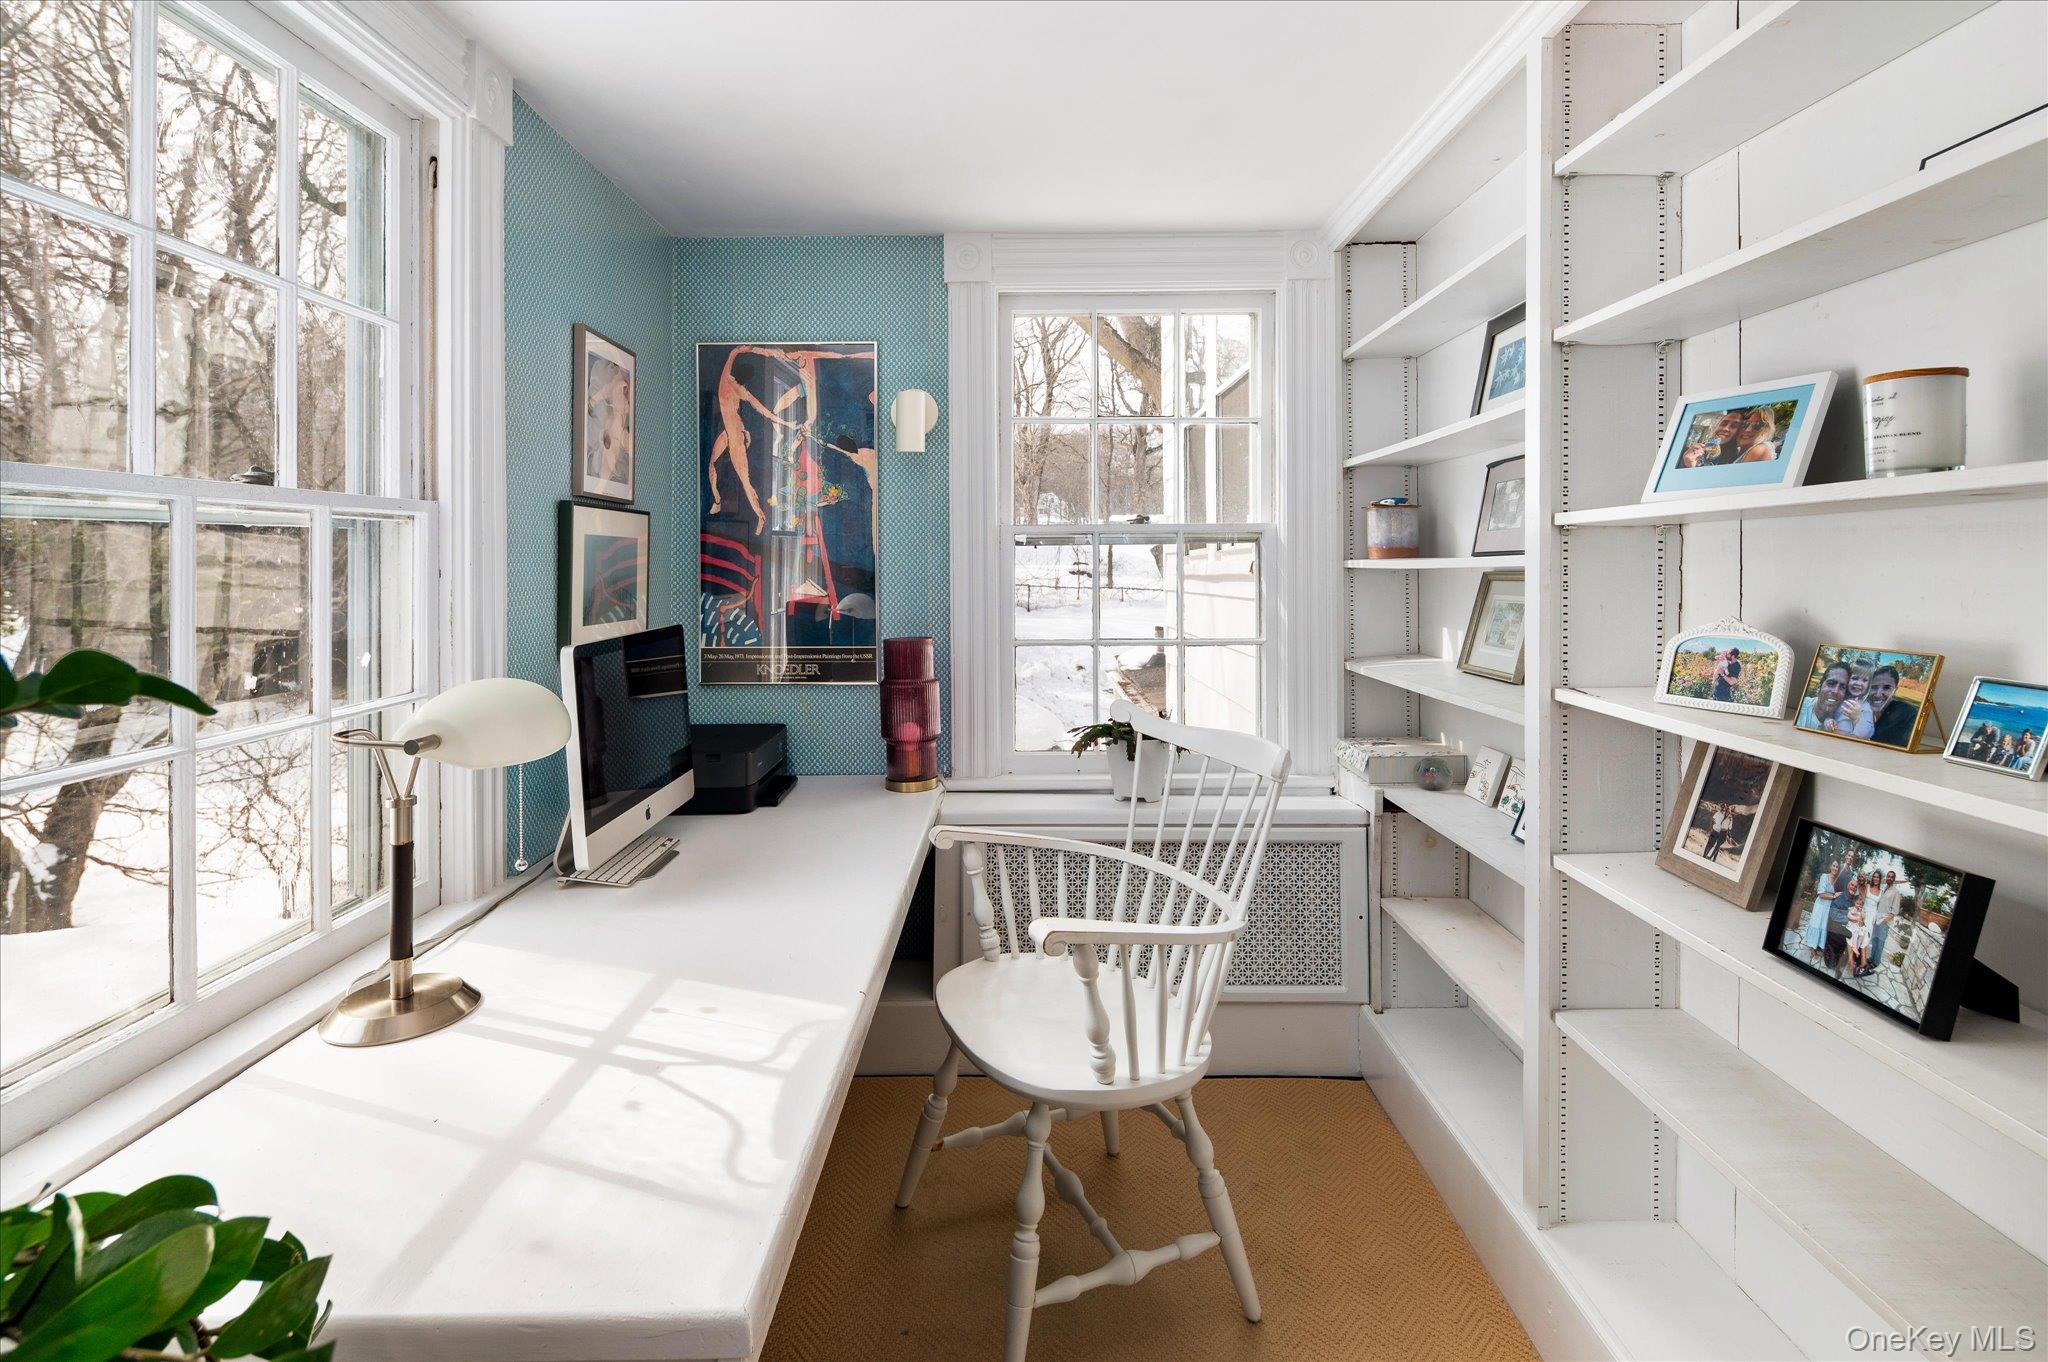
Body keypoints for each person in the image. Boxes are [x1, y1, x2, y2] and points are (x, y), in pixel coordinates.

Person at [1860, 871, 1905, 978]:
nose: (1889, 878)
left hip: (1884, 921)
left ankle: (1876, 962)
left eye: (1891, 877)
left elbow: (1895, 911)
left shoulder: (1895, 892)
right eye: (1888, 876)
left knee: (1880, 942)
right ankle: (1871, 958)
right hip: (1876, 919)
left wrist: (1885, 920)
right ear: (1886, 878)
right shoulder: (1884, 888)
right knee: (1874, 940)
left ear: (1894, 879)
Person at [1867, 664, 1923, 749]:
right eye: (1874, 687)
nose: (1878, 694)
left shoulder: (1908, 716)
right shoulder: (1855, 708)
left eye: (1886, 688)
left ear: (1895, 690)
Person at [1802, 859, 1839, 965]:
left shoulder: (1836, 880)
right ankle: (1812, 949)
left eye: (1837, 867)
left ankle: (1818, 945)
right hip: (1820, 905)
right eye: (1834, 866)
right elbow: (1821, 894)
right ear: (1830, 866)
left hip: (1828, 907)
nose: (1835, 868)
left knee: (1823, 926)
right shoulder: (1824, 876)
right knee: (1816, 925)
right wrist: (1833, 896)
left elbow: (1837, 893)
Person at [1799, 663, 1853, 733]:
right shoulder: (1802, 707)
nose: (1835, 691)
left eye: (1842, 687)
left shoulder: (1844, 724)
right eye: (1831, 683)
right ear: (1819, 687)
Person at [1829, 664, 1877, 739]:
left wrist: (1857, 719)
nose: (1858, 683)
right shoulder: (1841, 699)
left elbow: (1865, 734)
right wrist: (1829, 721)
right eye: (1855, 678)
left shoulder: (1866, 707)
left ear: (1869, 685)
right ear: (1847, 680)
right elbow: (1829, 715)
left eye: (1864, 680)